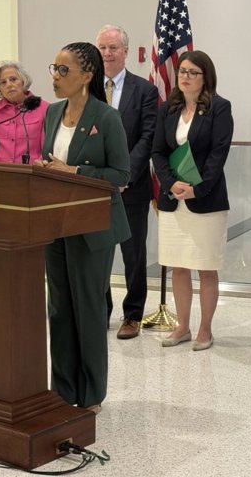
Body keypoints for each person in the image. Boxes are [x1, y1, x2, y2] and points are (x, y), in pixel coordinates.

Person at [36, 42, 130, 412]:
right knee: (59, 309)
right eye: (54, 69)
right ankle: (62, 391)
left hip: (93, 227)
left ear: (87, 75)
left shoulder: (106, 117)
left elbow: (120, 175)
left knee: (88, 309)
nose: (55, 77)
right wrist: (45, 169)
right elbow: (51, 159)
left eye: (64, 70)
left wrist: (74, 170)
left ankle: (91, 394)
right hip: (54, 223)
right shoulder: (52, 112)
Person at [151, 50, 233, 352]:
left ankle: (205, 329)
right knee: (179, 266)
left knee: (206, 267)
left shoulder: (219, 108)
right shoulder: (168, 108)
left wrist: (197, 189)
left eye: (192, 72)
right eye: (182, 71)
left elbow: (218, 154)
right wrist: (170, 184)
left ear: (205, 77)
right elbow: (158, 151)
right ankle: (182, 326)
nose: (185, 77)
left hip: (205, 201)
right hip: (174, 200)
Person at [96, 24, 158, 339]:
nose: (107, 54)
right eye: (103, 48)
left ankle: (132, 315)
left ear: (125, 52)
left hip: (131, 188)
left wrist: (123, 175)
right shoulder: (87, 90)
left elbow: (147, 138)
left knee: (133, 254)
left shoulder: (144, 90)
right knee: (98, 252)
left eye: (113, 48)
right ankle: (100, 311)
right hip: (95, 188)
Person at [0, 60, 48, 165]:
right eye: (3, 82)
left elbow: (47, 149)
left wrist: (36, 168)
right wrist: (0, 169)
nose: (9, 85)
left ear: (23, 81)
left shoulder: (44, 108)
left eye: (13, 79)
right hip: (1, 171)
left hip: (32, 171)